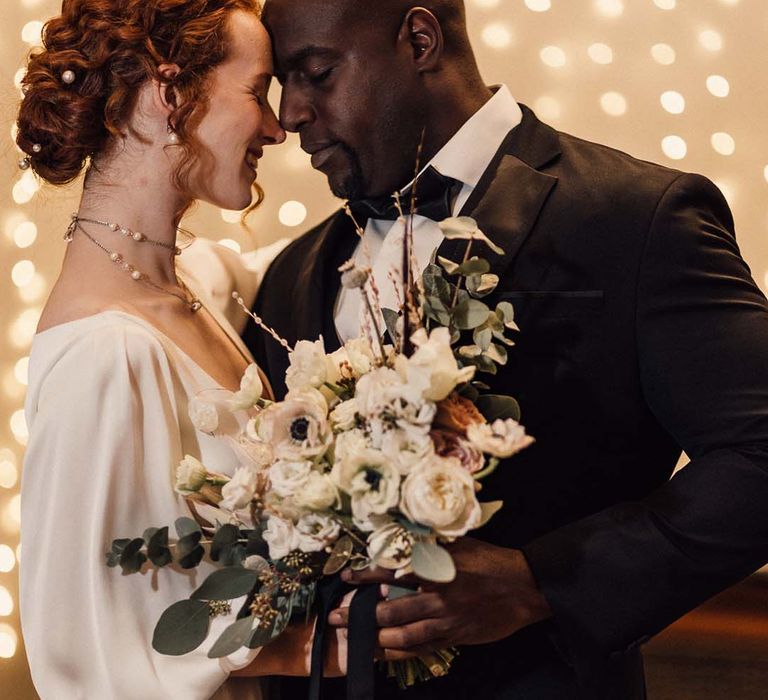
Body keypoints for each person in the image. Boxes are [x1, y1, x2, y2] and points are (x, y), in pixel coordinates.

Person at [245, 0, 768, 698]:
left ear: (421, 40)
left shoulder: (633, 218)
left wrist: (542, 581)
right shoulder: (293, 272)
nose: (290, 115)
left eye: (315, 73)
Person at [17, 1, 345, 698]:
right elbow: (92, 658)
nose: (277, 125)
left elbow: (333, 260)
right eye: (257, 91)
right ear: (168, 94)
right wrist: (309, 647)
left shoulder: (199, 281)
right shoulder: (106, 359)